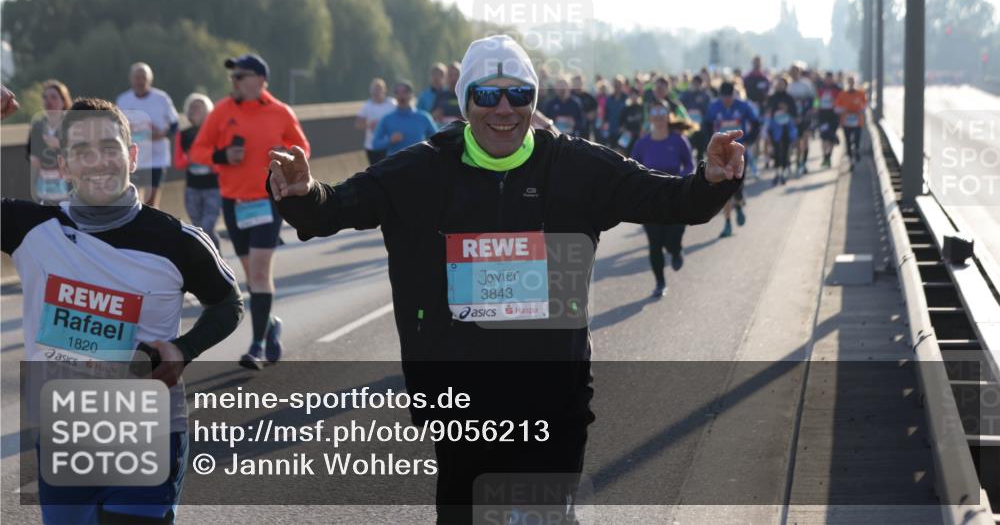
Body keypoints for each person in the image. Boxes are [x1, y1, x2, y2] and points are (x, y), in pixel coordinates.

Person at [266, 34, 744, 524]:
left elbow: (671, 199)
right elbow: (333, 207)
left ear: (533, 100)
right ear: (465, 101)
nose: (503, 109)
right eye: (486, 95)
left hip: (552, 400)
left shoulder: (575, 166)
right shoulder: (421, 169)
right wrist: (301, 193)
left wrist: (711, 181)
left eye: (518, 94)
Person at [1, 96, 243, 525]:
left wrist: (183, 351)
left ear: (132, 157)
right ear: (63, 164)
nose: (98, 162)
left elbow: (227, 303)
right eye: (82, 151)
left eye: (111, 148)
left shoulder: (178, 241)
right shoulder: (30, 230)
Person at [190, 54, 310, 370]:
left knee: (259, 274)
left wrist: (286, 158)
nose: (234, 82)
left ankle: (255, 346)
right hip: (234, 205)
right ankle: (271, 325)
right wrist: (221, 154)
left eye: (240, 76)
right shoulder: (222, 111)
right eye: (232, 77)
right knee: (251, 278)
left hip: (268, 202)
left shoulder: (280, 112)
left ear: (259, 80)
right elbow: (198, 150)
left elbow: (302, 149)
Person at [630, 102, 696, 297]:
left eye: (662, 111)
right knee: (655, 243)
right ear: (649, 117)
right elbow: (632, 168)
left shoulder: (678, 140)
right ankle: (660, 282)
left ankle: (675, 251)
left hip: (676, 197)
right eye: (654, 112)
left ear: (668, 116)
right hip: (651, 200)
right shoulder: (642, 143)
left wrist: (678, 179)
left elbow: (689, 164)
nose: (658, 115)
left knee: (672, 239)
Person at [115, 62, 179, 209]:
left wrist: (161, 134)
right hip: (133, 157)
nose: (140, 81)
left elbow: (175, 125)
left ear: (150, 79)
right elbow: (115, 127)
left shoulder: (161, 98)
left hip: (156, 158)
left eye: (143, 77)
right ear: (131, 79)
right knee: (133, 201)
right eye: (136, 77)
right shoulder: (123, 100)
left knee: (151, 203)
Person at [705, 81, 760, 238]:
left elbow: (756, 123)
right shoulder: (714, 107)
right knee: (724, 189)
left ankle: (740, 201)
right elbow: (707, 124)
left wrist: (750, 139)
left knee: (737, 186)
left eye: (729, 97)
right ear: (720, 96)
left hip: (740, 153)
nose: (727, 100)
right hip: (722, 154)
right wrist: (710, 142)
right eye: (724, 97)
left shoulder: (743, 106)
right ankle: (727, 223)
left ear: (734, 95)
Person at [175, 93, 222, 248]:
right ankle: (217, 258)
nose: (195, 110)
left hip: (213, 188)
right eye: (192, 107)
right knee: (199, 228)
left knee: (206, 227)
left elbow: (222, 160)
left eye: (199, 107)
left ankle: (216, 262)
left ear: (208, 111)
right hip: (192, 188)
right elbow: (177, 162)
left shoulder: (216, 133)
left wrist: (207, 161)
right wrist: (189, 160)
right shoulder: (183, 134)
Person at [27, 80, 73, 205]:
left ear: (63, 101)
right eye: (45, 97)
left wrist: (60, 144)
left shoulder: (71, 125)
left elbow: (79, 152)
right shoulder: (37, 125)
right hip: (45, 185)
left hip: (68, 185)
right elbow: (33, 157)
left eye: (53, 97)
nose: (48, 101)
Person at [370, 80, 438, 157]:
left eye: (405, 92)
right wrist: (390, 141)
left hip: (418, 164)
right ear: (394, 96)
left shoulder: (424, 117)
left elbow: (438, 141)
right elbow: (375, 144)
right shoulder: (387, 119)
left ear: (411, 95)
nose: (401, 95)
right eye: (397, 92)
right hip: (395, 165)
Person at [764, 75, 799, 186]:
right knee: (776, 150)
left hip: (786, 128)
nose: (779, 86)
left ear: (786, 85)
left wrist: (787, 110)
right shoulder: (772, 97)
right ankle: (776, 173)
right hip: (774, 128)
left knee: (785, 150)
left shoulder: (789, 98)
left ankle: (783, 173)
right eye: (778, 84)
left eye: (782, 84)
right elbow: (767, 111)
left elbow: (795, 113)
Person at [355, 78, 397, 165]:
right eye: (375, 89)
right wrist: (368, 124)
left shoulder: (392, 104)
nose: (377, 91)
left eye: (379, 88)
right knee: (376, 173)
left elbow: (400, 118)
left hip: (390, 144)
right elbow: (358, 124)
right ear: (371, 91)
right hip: (372, 146)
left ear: (384, 90)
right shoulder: (367, 106)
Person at [787, 65, 816, 176]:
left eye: (796, 71)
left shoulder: (807, 84)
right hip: (795, 118)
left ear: (799, 72)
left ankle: (803, 162)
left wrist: (814, 110)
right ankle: (798, 163)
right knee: (798, 142)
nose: (794, 74)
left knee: (805, 140)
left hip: (806, 117)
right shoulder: (789, 86)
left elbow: (815, 99)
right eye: (792, 72)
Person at [835, 76, 867, 170]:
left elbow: (865, 105)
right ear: (847, 83)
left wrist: (860, 109)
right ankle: (850, 160)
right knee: (848, 141)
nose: (851, 84)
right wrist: (844, 110)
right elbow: (836, 107)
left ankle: (856, 151)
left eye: (852, 82)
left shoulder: (860, 93)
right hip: (846, 122)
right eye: (849, 82)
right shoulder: (842, 94)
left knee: (857, 140)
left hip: (858, 122)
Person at [815, 71, 842, 168]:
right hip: (823, 116)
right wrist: (815, 108)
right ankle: (824, 156)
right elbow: (816, 100)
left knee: (831, 138)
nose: (828, 81)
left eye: (830, 79)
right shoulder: (820, 89)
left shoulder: (838, 89)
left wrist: (835, 102)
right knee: (824, 137)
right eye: (826, 79)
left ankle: (829, 156)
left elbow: (841, 101)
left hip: (833, 116)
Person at [432, 62, 464, 126]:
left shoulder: (466, 95)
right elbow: (432, 116)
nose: (453, 79)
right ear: (446, 77)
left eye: (456, 75)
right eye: (450, 75)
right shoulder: (440, 95)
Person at [570, 74, 598, 140]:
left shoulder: (588, 97)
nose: (577, 84)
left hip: (585, 130)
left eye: (579, 82)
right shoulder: (569, 95)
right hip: (571, 130)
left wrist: (584, 116)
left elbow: (595, 111)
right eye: (575, 82)